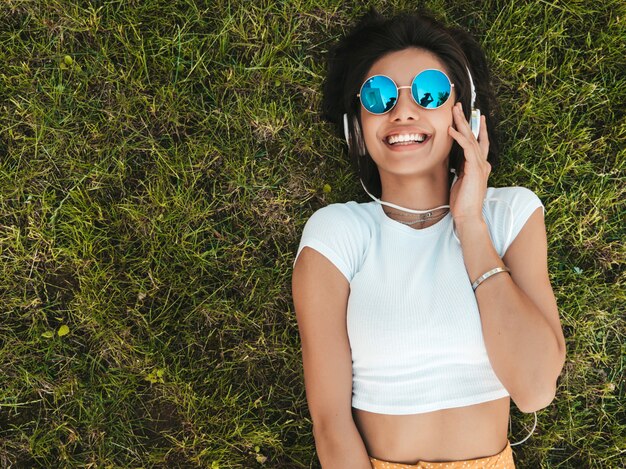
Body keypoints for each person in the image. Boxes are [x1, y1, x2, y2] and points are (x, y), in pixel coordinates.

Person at [291, 9, 566, 469]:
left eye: (429, 92)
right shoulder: (337, 233)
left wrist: (470, 227)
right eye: (378, 97)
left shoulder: (510, 216)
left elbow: (536, 389)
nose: (403, 111)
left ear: (466, 115)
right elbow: (330, 423)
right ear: (356, 130)